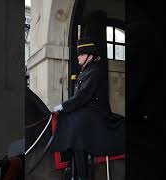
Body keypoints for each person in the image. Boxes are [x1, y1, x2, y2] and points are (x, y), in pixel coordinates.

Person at [50, 37, 125, 180]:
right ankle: (71, 165)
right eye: (79, 55)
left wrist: (63, 106)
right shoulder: (85, 71)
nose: (78, 57)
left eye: (82, 55)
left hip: (97, 112)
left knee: (77, 123)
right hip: (88, 110)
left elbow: (83, 96)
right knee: (68, 118)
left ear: (90, 56)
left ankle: (83, 176)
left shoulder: (94, 71)